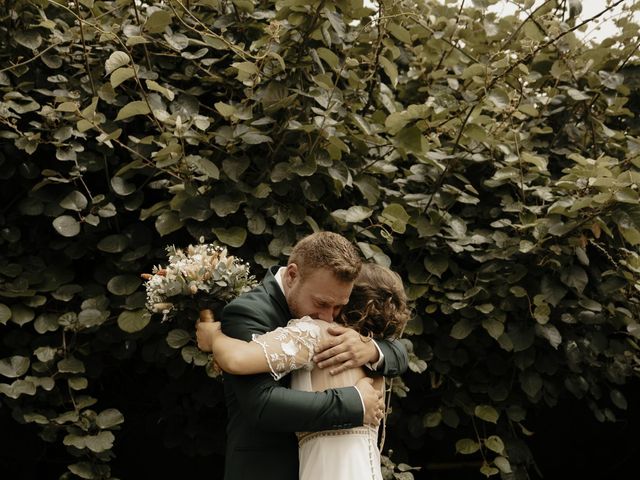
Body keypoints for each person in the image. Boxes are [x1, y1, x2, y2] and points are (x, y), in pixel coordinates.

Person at [197, 232, 408, 480]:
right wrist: (355, 403)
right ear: (292, 275)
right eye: (321, 303)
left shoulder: (342, 331)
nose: (330, 317)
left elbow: (399, 351)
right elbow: (260, 403)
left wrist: (373, 349)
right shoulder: (248, 311)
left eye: (339, 307)